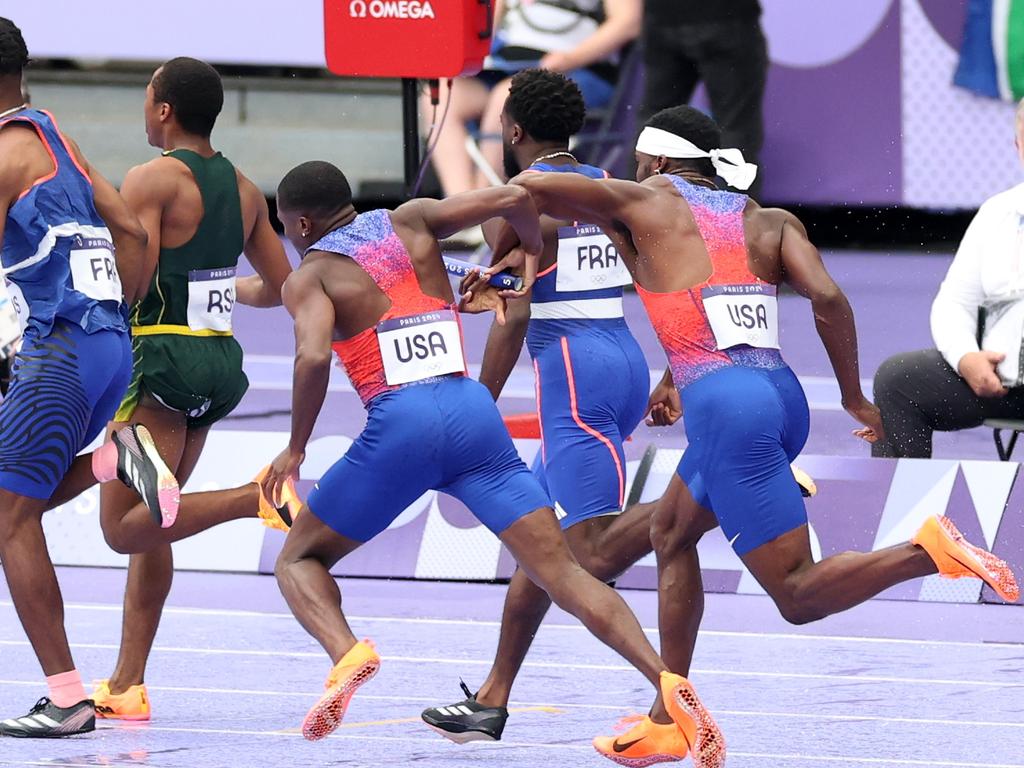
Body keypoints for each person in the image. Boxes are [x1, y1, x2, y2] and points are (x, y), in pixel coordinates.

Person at [487, 105, 1020, 765]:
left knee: (796, 594)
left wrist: (499, 263)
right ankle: (667, 717)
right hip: (779, 395)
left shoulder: (640, 199)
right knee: (669, 533)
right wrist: (853, 396)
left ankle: (925, 550)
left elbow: (534, 187)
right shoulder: (765, 218)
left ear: (654, 161)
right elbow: (828, 298)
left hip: (726, 411)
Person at [262, 160, 707, 760]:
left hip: (402, 427)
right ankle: (667, 684)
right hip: (473, 415)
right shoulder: (411, 220)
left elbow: (313, 357)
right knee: (566, 573)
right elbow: (512, 194)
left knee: (300, 558)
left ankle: (346, 653)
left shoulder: (309, 276)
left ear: (300, 222)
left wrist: (294, 448)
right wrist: (522, 258)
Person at [421, 67, 655, 743]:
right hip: (623, 358)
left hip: (574, 377)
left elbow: (513, 315)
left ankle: (670, 690)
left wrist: (479, 402)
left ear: (512, 131)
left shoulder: (522, 200)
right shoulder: (607, 191)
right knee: (539, 551)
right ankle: (492, 699)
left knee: (588, 552)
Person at [85, 57, 297, 722]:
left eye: (147, 99)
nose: (144, 111)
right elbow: (283, 287)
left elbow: (135, 284)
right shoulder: (244, 188)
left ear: (165, 110)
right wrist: (220, 288)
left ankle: (249, 497)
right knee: (155, 529)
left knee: (123, 529)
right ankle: (126, 684)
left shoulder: (151, 179)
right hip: (216, 363)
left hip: (158, 362)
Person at [0, 17, 181, 737]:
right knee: (21, 502)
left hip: (61, 351)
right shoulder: (56, 141)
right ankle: (112, 457)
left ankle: (69, 697)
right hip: (107, 346)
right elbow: (133, 233)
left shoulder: (4, 152)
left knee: (9, 523)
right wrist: (111, 315)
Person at [872, 100, 1024, 458]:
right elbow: (955, 301)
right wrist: (965, 357)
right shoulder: (998, 213)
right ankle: (906, 511)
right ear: (1018, 144)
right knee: (898, 381)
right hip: (1002, 381)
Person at [427, 0, 640, 200]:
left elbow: (629, 22)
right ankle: (459, 201)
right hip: (508, 63)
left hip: (578, 67)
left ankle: (485, 205)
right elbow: (489, 17)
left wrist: (568, 59)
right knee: (444, 93)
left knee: (509, 97)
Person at [640, 0, 767, 197]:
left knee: (654, 124)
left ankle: (638, 212)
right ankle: (734, 221)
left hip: (663, 16)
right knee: (734, 127)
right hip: (726, 17)